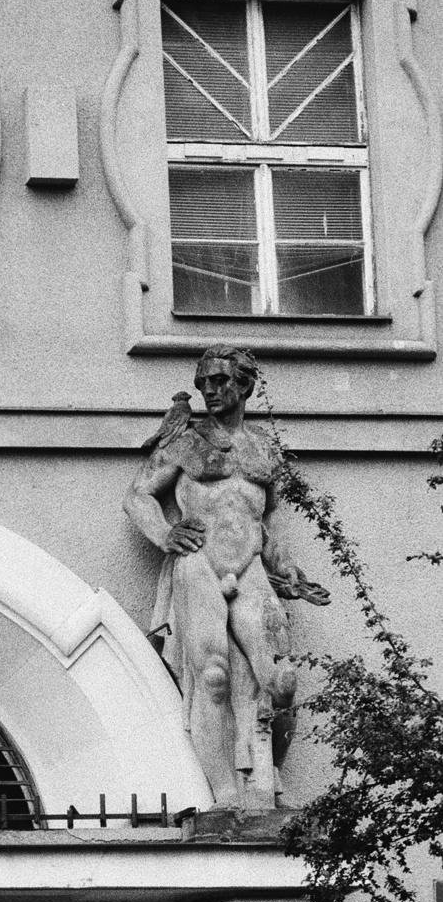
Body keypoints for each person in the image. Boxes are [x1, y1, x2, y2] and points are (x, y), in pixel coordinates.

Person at [124, 346, 326, 810]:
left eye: (219, 381)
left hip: (250, 568)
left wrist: (284, 565)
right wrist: (166, 533)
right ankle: (226, 795)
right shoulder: (186, 442)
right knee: (213, 676)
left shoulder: (264, 449)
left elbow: (261, 523)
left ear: (245, 385)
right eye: (203, 383)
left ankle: (267, 778)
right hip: (199, 563)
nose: (209, 391)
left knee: (280, 679)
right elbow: (138, 496)